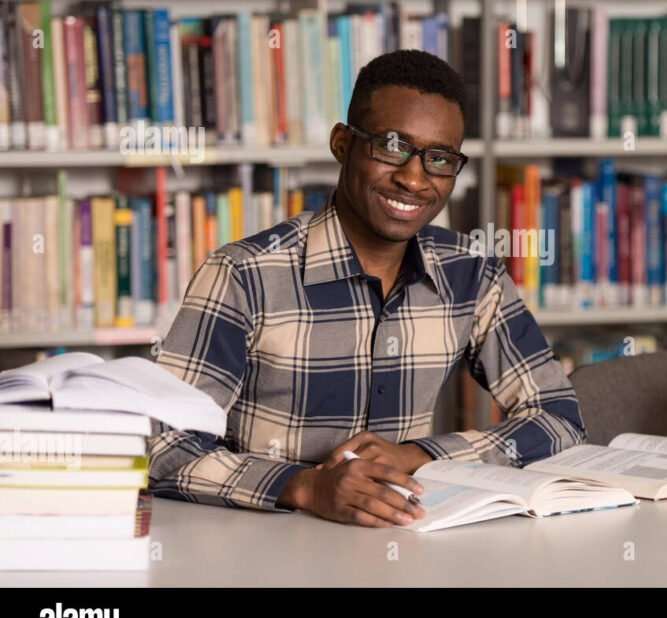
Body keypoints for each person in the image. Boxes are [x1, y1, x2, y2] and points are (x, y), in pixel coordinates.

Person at [150, 49, 586, 528]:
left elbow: (558, 417)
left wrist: (419, 455)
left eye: (438, 159)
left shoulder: (472, 274)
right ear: (342, 143)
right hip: (265, 544)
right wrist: (302, 486)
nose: (413, 178)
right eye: (392, 146)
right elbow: (163, 446)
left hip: (402, 540)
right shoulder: (244, 274)